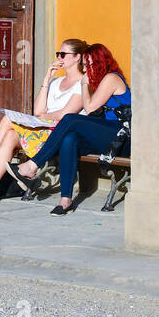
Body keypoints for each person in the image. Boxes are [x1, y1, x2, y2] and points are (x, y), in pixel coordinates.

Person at [0, 39, 88, 214]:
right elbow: (38, 109)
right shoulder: (56, 82)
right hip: (43, 129)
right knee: (9, 135)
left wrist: (39, 118)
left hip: (58, 134)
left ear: (77, 57)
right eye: (58, 54)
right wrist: (47, 79)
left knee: (8, 120)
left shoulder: (82, 84)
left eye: (63, 54)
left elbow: (64, 115)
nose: (59, 58)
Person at [14, 42, 131, 215]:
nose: (87, 67)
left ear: (101, 62)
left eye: (91, 63)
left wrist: (84, 83)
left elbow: (90, 108)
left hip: (123, 135)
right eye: (85, 63)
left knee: (69, 119)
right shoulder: (99, 82)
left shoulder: (111, 78)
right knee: (70, 139)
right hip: (108, 134)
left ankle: (33, 165)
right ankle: (66, 200)